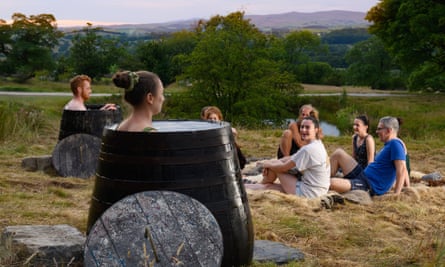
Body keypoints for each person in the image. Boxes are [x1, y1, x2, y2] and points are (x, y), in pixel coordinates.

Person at [245, 116, 330, 198]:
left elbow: (283, 168)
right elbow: (291, 158)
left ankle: (256, 184)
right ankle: (250, 186)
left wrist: (267, 165)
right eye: (302, 127)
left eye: (307, 127)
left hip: (309, 193)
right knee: (269, 186)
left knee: (274, 169)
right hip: (318, 191)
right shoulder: (317, 144)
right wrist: (270, 163)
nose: (303, 130)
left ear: (316, 130)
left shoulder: (308, 149)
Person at [329, 116, 409, 196]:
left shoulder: (395, 144)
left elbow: (402, 169)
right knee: (338, 153)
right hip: (363, 175)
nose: (376, 131)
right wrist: (407, 187)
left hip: (368, 185)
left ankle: (320, 183)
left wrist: (396, 194)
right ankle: (320, 175)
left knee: (330, 183)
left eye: (379, 129)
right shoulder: (389, 145)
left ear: (388, 130)